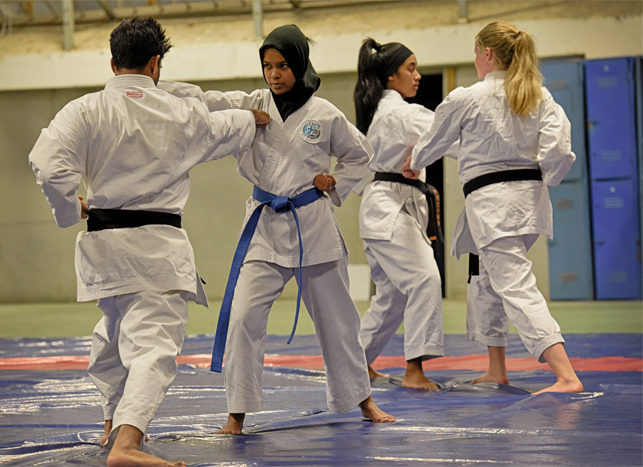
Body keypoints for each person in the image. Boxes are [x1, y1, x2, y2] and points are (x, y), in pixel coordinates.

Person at [29, 17, 269, 467]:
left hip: (103, 247)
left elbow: (47, 165)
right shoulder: (182, 115)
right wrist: (254, 116)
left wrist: (70, 210)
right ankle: (125, 445)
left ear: (112, 61)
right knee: (153, 346)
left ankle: (110, 426)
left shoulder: (85, 110)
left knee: (114, 337)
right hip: (156, 250)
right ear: (156, 63)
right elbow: (227, 126)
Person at [162, 24, 395, 434]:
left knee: (339, 322)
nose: (274, 74)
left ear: (300, 63)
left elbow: (362, 156)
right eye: (268, 66)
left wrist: (335, 181)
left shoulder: (325, 114)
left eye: (283, 65)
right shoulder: (252, 103)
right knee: (243, 318)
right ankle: (236, 413)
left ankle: (363, 401)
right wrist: (154, 85)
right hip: (265, 228)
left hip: (313, 227)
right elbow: (204, 101)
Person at [404, 21, 583, 394]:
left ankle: (566, 376)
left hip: (493, 208)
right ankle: (496, 368)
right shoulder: (540, 96)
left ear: (486, 53)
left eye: (475, 52)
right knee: (486, 281)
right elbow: (559, 152)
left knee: (516, 286)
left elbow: (432, 140)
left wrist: (414, 160)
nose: (474, 59)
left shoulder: (466, 97)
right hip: (529, 204)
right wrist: (544, 178)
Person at [352, 38, 453, 391]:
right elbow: (449, 134)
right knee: (425, 278)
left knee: (392, 296)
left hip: (384, 208)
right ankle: (414, 369)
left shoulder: (384, 112)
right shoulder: (401, 113)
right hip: (389, 209)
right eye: (411, 68)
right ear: (390, 77)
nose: (418, 75)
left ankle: (356, 364)